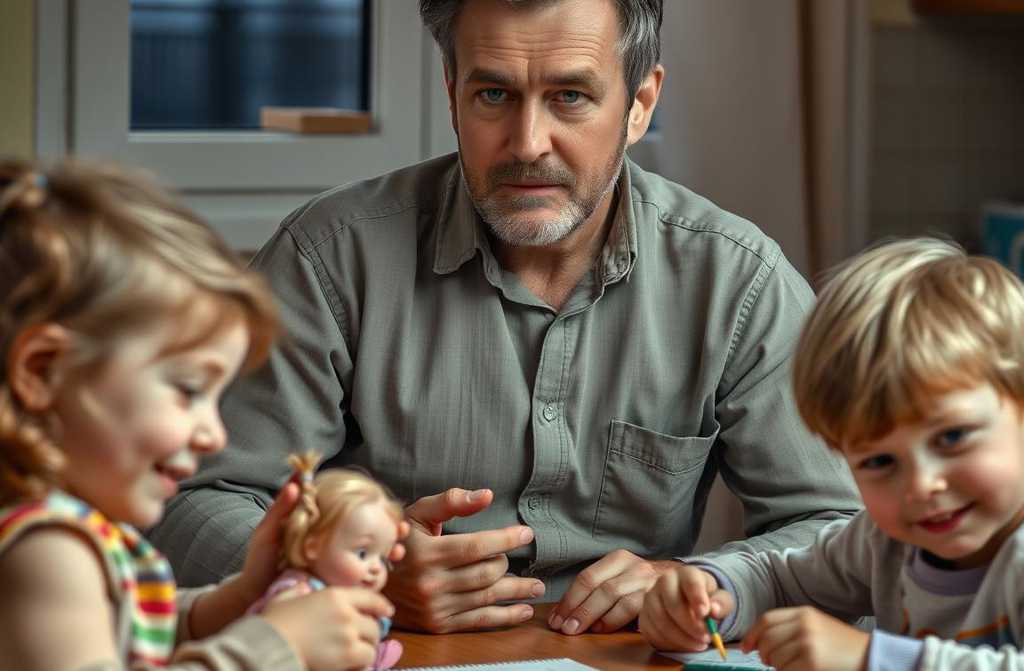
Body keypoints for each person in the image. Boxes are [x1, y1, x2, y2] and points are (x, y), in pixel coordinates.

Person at [150, 0, 861, 635]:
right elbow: (193, 502)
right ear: (452, 94)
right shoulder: (328, 258)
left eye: (570, 97)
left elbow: (841, 530)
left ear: (640, 104)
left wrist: (703, 583)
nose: (527, 143)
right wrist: (342, 574)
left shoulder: (737, 282)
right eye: (494, 94)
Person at [0, 158, 400, 671]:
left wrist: (240, 597)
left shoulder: (74, 535)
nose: (214, 434)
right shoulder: (49, 552)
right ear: (43, 371)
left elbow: (129, 629)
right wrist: (277, 646)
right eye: (188, 390)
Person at [639, 237, 1024, 671]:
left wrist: (868, 658)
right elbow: (778, 579)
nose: (920, 485)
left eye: (952, 438)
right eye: (879, 462)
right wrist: (710, 593)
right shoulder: (883, 543)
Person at [248, 452, 406, 670]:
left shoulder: (346, 594)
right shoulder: (299, 591)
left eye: (382, 558)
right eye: (362, 553)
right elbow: (276, 637)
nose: (376, 568)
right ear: (312, 547)